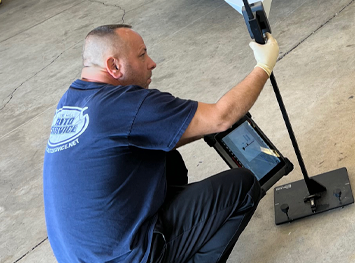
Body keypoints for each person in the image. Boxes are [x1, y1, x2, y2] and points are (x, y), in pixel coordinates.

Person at [43, 24, 280, 263]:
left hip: (83, 255)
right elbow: (221, 117)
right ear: (114, 66)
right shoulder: (125, 105)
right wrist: (264, 66)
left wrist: (200, 128)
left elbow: (157, 134)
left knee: (166, 157)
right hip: (128, 256)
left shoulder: (72, 100)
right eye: (142, 55)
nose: (152, 62)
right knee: (243, 185)